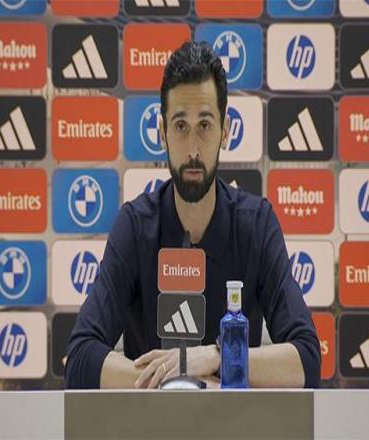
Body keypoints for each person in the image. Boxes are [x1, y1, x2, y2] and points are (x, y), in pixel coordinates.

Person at [65, 41, 321, 389]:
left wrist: (219, 356)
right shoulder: (136, 226)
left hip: (236, 421)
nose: (193, 149)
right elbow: (80, 359)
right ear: (162, 133)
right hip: (152, 419)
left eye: (204, 125)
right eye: (180, 126)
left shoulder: (256, 224)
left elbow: (307, 359)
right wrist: (175, 380)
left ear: (225, 131)